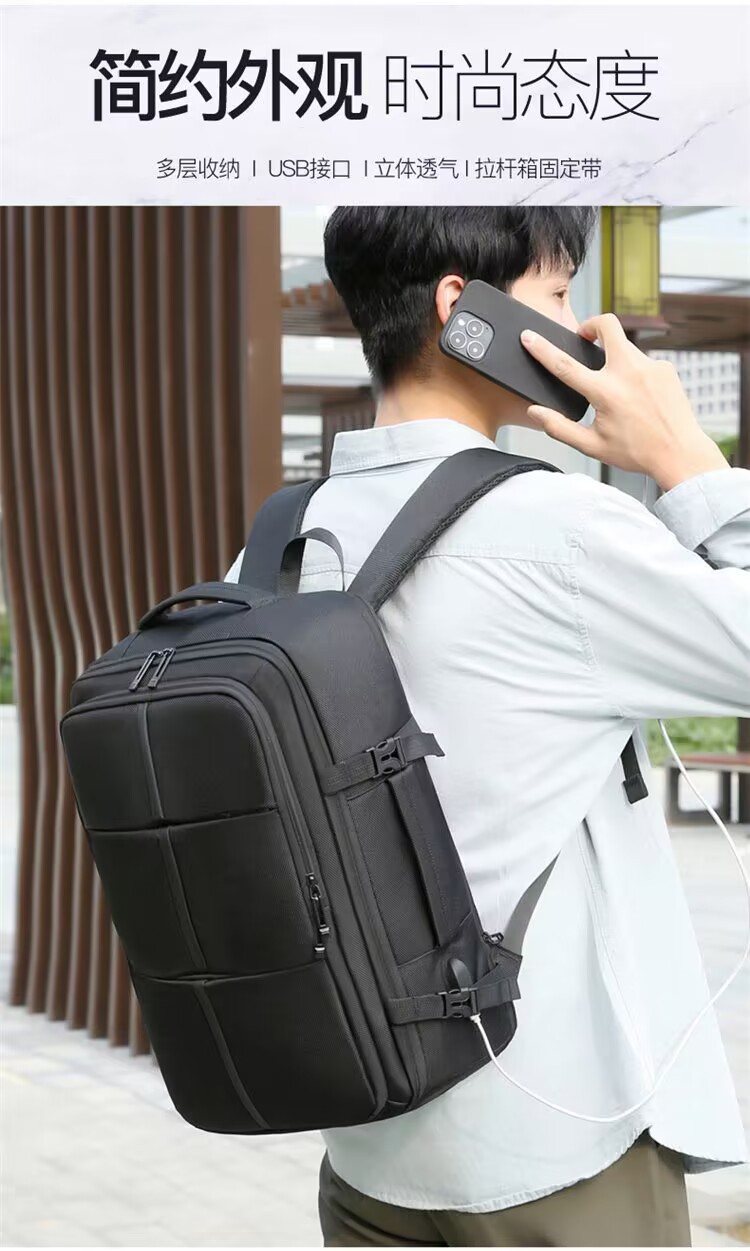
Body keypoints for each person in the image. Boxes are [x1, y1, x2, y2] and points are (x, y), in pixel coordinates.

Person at [225, 207, 749, 1247]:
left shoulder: (278, 543)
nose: (582, 328)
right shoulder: (558, 528)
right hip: (557, 1150)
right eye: (554, 294)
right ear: (463, 309)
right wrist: (689, 460)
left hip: (368, 1133)